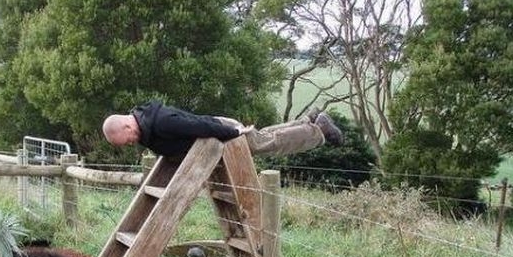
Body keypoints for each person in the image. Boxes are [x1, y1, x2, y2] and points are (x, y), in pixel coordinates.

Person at [102, 100, 343, 158]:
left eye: (127, 140)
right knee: (263, 137)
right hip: (215, 132)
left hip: (218, 130)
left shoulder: (160, 121)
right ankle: (307, 121)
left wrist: (234, 133)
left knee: (262, 144)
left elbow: (196, 125)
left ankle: (317, 131)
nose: (131, 143)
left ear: (125, 125)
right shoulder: (147, 126)